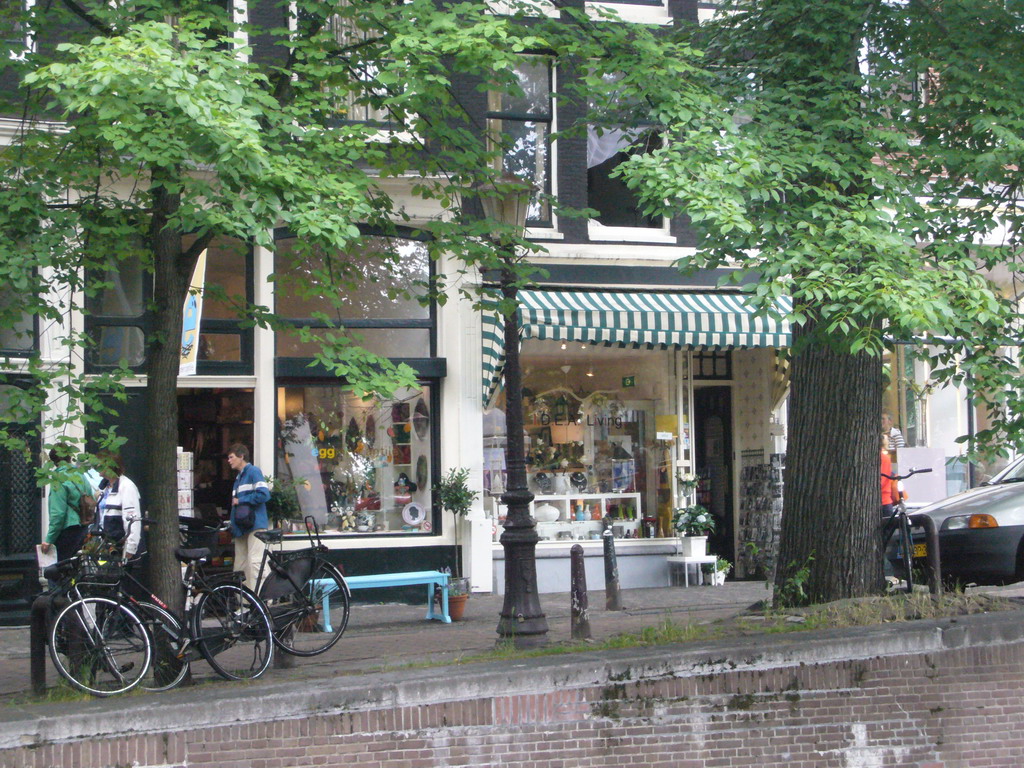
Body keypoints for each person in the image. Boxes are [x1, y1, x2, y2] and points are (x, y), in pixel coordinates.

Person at [227, 443, 270, 593]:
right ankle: (244, 604)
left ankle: (262, 600)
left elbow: (264, 494)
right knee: (240, 566)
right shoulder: (238, 478)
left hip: (255, 525)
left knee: (255, 563)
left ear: (241, 456)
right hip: (242, 527)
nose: (229, 461)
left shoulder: (253, 472)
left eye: (231, 457)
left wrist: (242, 501)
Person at [41, 444, 93, 562]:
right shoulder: (81, 476)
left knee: (57, 570)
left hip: (67, 530)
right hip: (83, 528)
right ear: (70, 457)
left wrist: (49, 540)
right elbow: (91, 501)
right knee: (76, 568)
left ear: (53, 461)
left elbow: (58, 514)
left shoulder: (59, 479)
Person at [97, 452, 144, 561]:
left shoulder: (127, 487)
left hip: (121, 548)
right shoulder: (105, 487)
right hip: (106, 546)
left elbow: (133, 518)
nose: (97, 467)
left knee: (122, 577)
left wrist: (130, 549)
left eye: (100, 464)